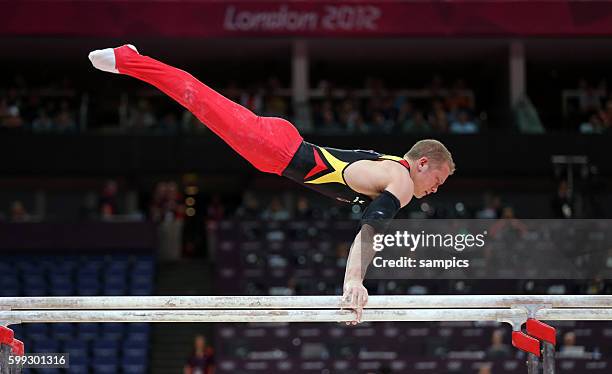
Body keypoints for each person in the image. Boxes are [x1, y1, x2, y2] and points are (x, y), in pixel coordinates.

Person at [89, 45, 455, 323]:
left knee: (202, 102)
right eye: (437, 180)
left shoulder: (391, 167)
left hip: (278, 150)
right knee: (199, 99)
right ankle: (127, 58)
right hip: (276, 149)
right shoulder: (402, 180)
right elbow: (371, 231)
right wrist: (353, 282)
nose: (435, 190)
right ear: (422, 163)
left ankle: (132, 60)